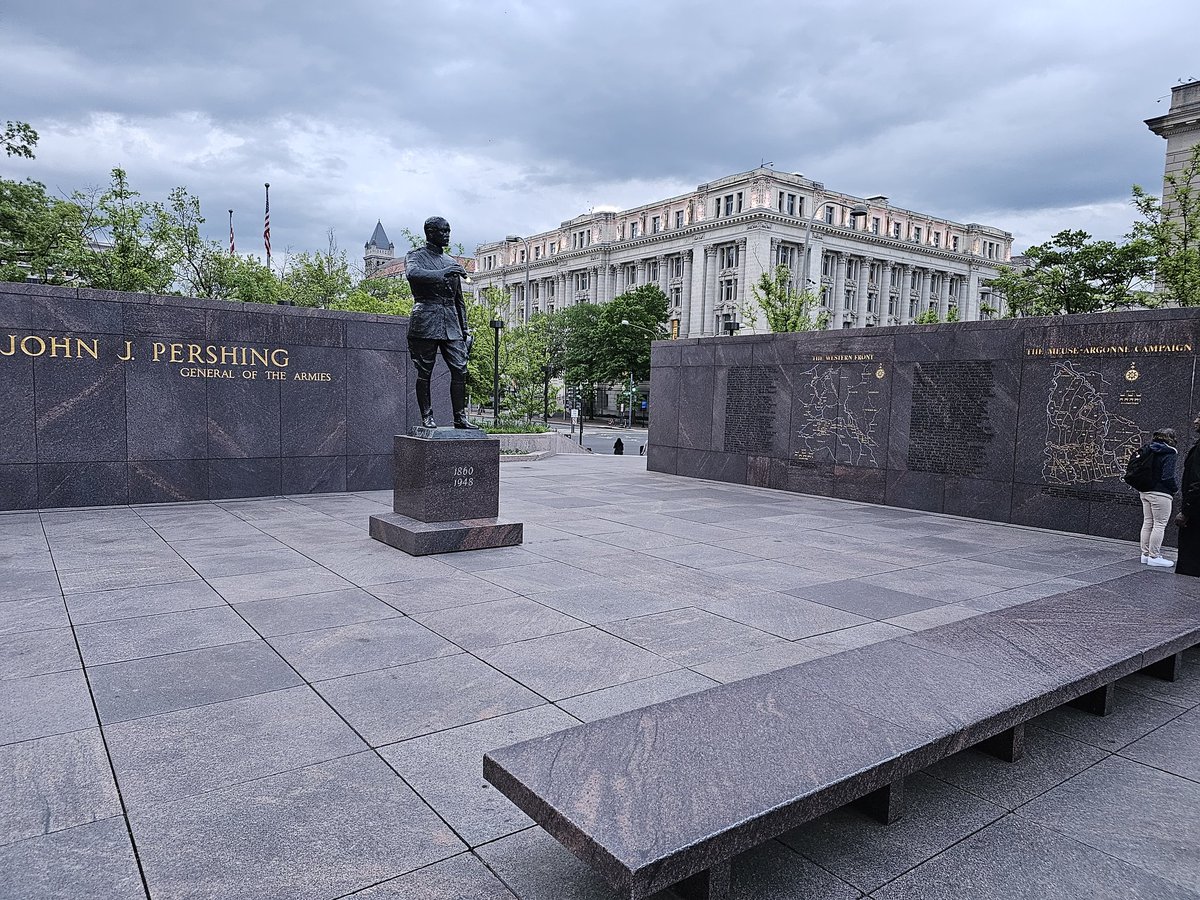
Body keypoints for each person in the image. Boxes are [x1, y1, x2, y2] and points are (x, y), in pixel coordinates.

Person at [405, 216, 479, 430]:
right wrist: (442, 274)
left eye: (448, 231)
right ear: (429, 232)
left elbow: (460, 301)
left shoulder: (451, 262)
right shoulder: (416, 256)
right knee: (424, 371)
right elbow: (413, 274)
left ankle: (460, 417)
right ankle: (427, 416)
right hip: (426, 317)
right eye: (442, 231)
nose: (447, 235)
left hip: (451, 323)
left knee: (460, 369)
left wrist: (465, 330)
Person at [1137, 428, 1178, 567]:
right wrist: (1174, 489)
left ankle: (1145, 554)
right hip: (1161, 493)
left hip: (1145, 491)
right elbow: (1168, 476)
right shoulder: (1170, 452)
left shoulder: (1148, 449)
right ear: (1171, 438)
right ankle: (1154, 556)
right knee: (1159, 524)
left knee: (1148, 522)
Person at [1175, 414, 1200, 577]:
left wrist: (1186, 511)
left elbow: (1197, 483)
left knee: (1190, 565)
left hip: (1196, 515)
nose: (1195, 421)